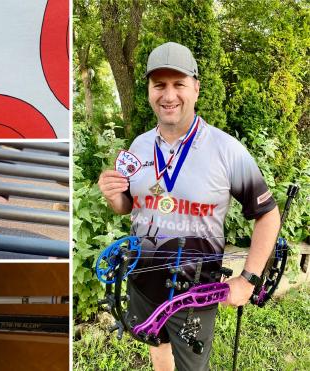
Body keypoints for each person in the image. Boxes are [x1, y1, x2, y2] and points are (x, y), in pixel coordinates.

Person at [97, 42, 280, 371]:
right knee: (156, 348)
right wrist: (115, 198)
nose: (169, 96)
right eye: (159, 85)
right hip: (142, 281)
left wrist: (248, 279)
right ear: (150, 91)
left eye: (178, 84)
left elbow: (268, 214)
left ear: (195, 88)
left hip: (194, 292)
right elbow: (129, 207)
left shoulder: (227, 150)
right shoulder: (138, 145)